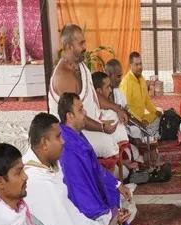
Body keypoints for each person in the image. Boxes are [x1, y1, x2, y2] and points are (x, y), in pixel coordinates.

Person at [23, 112, 124, 225]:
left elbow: (68, 207)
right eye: (58, 137)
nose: (63, 141)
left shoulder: (49, 163)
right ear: (44, 143)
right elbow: (66, 223)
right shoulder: (37, 181)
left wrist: (105, 220)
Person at [57, 92, 135, 225]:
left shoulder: (76, 136)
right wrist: (109, 215)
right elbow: (80, 191)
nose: (85, 113)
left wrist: (117, 185)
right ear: (69, 116)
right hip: (85, 215)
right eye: (80, 110)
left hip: (93, 202)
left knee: (126, 203)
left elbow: (95, 169)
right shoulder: (68, 148)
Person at [48, 24, 129, 161]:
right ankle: (106, 180)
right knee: (108, 142)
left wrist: (117, 108)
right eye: (81, 43)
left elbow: (93, 95)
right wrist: (102, 127)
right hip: (74, 132)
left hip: (89, 121)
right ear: (68, 47)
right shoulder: (64, 76)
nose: (85, 47)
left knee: (119, 125)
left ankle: (121, 174)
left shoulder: (81, 66)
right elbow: (75, 117)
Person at [119, 51, 162, 143]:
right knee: (136, 131)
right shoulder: (126, 83)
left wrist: (155, 111)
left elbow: (146, 101)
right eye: (136, 64)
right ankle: (149, 134)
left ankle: (149, 134)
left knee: (160, 113)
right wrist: (140, 122)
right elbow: (126, 110)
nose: (140, 67)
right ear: (131, 65)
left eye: (141, 64)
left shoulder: (141, 78)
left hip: (143, 119)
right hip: (133, 122)